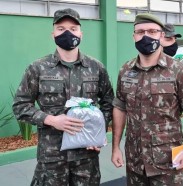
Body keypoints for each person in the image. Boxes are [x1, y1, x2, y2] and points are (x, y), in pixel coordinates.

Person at [12, 8, 114, 186]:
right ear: (53, 34)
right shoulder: (37, 68)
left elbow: (109, 102)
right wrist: (51, 119)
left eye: (73, 28)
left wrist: (98, 133)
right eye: (61, 28)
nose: (67, 32)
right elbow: (20, 106)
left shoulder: (96, 67)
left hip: (86, 158)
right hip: (52, 158)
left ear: (81, 33)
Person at [111, 13, 183, 186]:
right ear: (134, 36)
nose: (145, 36)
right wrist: (115, 147)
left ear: (161, 35)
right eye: (140, 32)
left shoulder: (178, 69)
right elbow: (120, 108)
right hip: (135, 161)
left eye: (152, 31)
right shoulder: (125, 70)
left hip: (166, 162)